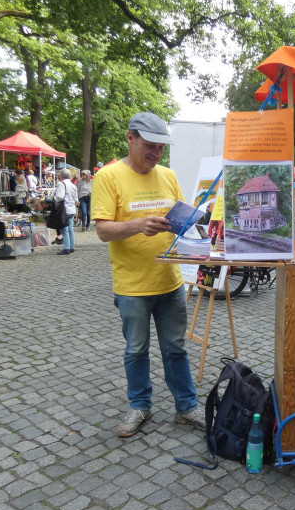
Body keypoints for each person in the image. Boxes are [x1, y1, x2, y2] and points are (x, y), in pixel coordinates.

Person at [91, 111, 207, 438]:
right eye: (150, 146)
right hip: (132, 285)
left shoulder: (167, 176)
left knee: (176, 348)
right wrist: (138, 225)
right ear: (131, 138)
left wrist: (194, 226)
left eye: (161, 148)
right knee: (136, 350)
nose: (156, 154)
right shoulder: (108, 176)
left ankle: (186, 407)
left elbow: (180, 220)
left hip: (169, 282)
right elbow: (102, 231)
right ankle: (140, 405)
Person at [54, 169, 78, 255]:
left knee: (64, 229)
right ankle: (72, 246)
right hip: (72, 209)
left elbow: (60, 197)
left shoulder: (61, 184)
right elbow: (76, 199)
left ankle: (66, 248)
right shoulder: (73, 186)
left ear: (61, 176)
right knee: (70, 229)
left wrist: (54, 198)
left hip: (64, 209)